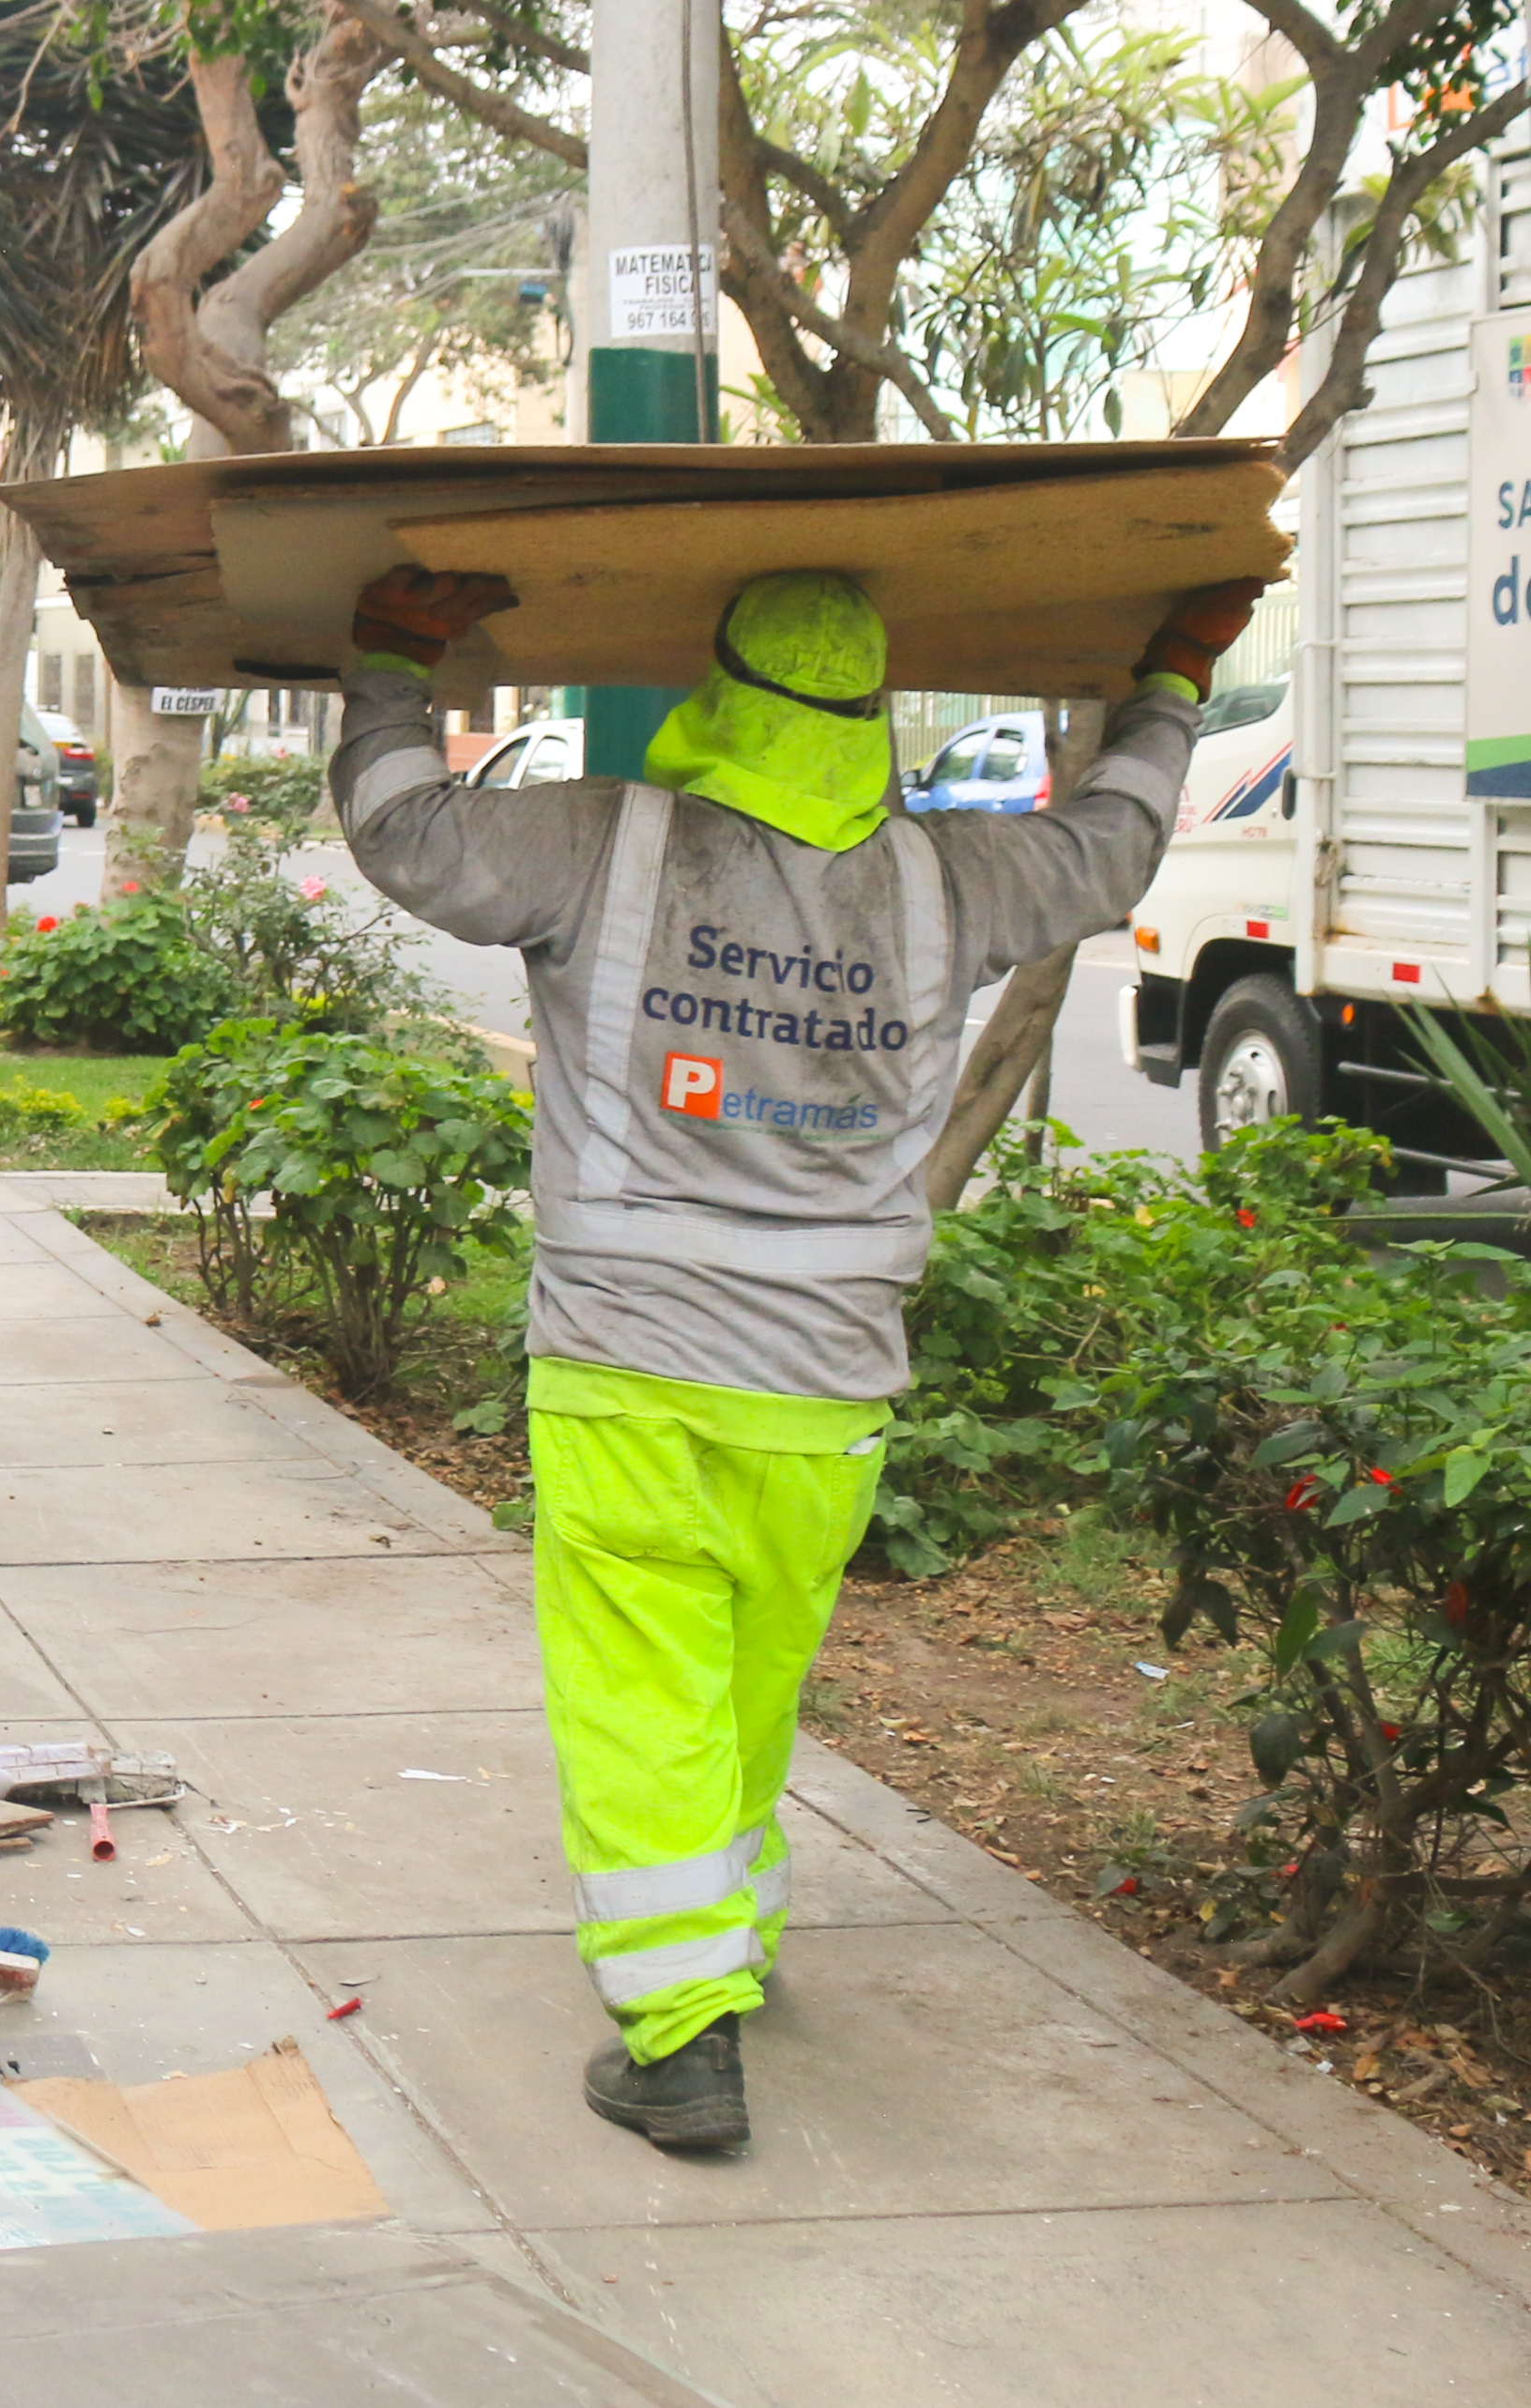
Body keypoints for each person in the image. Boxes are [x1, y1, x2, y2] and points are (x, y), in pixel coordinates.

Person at [330, 562, 1263, 2153]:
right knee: (749, 1687)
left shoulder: (605, 837)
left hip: (629, 1360)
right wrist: (1169, 679)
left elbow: (407, 833)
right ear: (874, 715)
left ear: (723, 687)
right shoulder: (943, 879)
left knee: (643, 1691)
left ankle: (680, 2034)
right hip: (828, 1385)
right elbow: (1113, 849)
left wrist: (392, 662)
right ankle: (730, 1943)